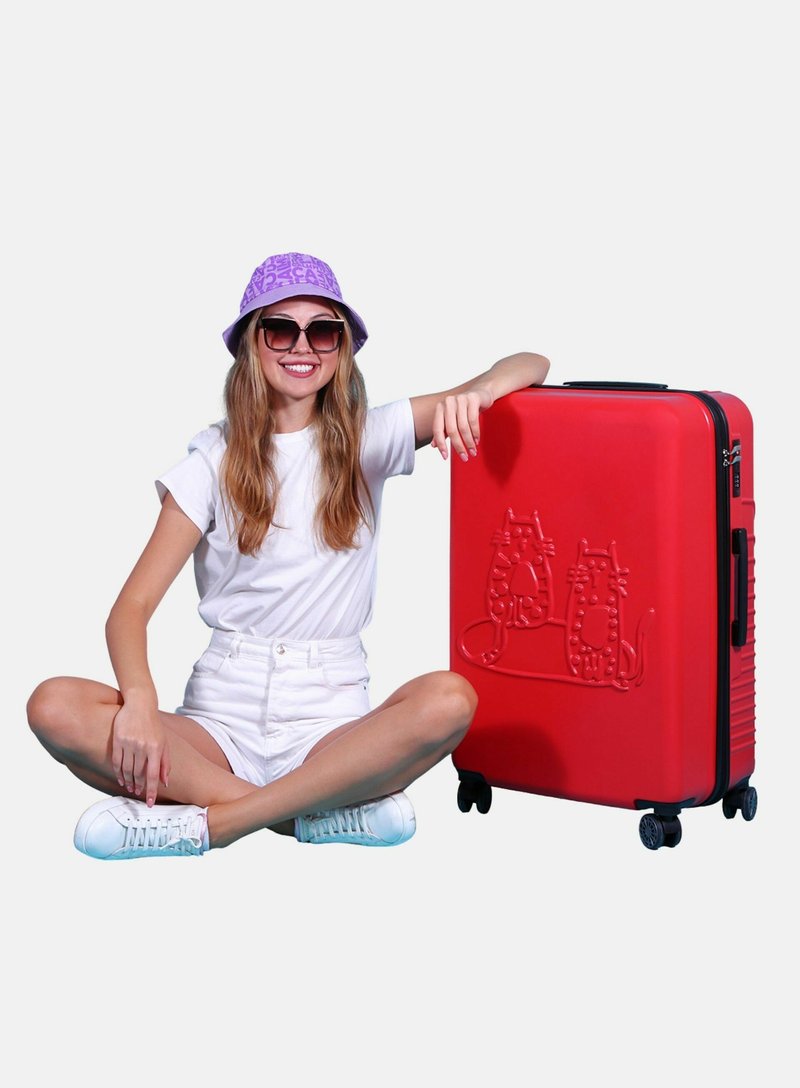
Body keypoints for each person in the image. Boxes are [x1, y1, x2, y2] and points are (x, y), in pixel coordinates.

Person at [27, 251, 550, 859]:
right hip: (218, 724)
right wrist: (141, 701)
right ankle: (305, 813)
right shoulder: (211, 463)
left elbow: (533, 363)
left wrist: (481, 391)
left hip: (328, 726)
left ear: (340, 349)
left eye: (323, 330)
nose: (302, 346)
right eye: (281, 328)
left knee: (450, 700)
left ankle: (212, 825)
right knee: (55, 705)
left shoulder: (368, 438)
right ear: (254, 343)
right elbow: (130, 609)